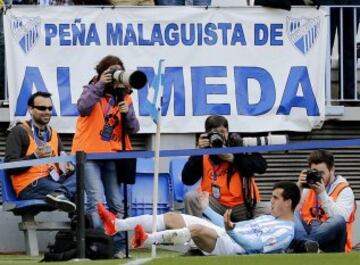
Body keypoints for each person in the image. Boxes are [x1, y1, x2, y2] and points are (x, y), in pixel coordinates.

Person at [98, 181, 300, 256]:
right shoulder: (268, 218)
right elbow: (232, 226)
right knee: (172, 217)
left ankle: (146, 239)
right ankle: (116, 224)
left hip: (234, 250)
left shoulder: (285, 232)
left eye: (275, 198)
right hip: (227, 235)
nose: (271, 201)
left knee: (196, 230)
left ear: (288, 202)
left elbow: (253, 245)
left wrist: (230, 231)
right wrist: (207, 209)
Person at [71, 55, 140, 258]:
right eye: (111, 73)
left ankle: (118, 247)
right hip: (89, 153)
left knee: (117, 203)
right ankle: (100, 247)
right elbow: (83, 108)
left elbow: (134, 129)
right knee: (96, 201)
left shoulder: (125, 96)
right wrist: (100, 83)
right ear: (101, 73)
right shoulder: (91, 90)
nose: (116, 78)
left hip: (114, 154)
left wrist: (127, 113)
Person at [182, 115, 267, 222]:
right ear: (207, 135)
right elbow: (187, 179)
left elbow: (262, 167)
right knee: (191, 197)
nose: (219, 136)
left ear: (228, 133)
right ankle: (199, 233)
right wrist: (198, 152)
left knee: (267, 211)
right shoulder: (204, 152)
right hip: (215, 204)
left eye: (222, 132)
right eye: (214, 133)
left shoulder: (238, 145)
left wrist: (233, 158)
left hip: (243, 205)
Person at [4, 91, 76, 212]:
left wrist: (69, 167)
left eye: (50, 108)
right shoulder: (19, 131)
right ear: (30, 110)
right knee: (79, 194)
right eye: (42, 108)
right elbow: (10, 166)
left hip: (53, 181)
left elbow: (63, 161)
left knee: (83, 173)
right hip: (31, 186)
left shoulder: (53, 132)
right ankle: (81, 226)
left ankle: (61, 195)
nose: (47, 112)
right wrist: (35, 156)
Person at [294, 149, 356, 252]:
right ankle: (308, 245)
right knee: (292, 213)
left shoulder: (344, 190)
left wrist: (322, 194)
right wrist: (299, 188)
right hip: (309, 230)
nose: (318, 176)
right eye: (315, 172)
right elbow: (292, 212)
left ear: (332, 170)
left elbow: (342, 219)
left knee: (338, 220)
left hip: (332, 241)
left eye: (321, 173)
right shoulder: (308, 187)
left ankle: (304, 245)